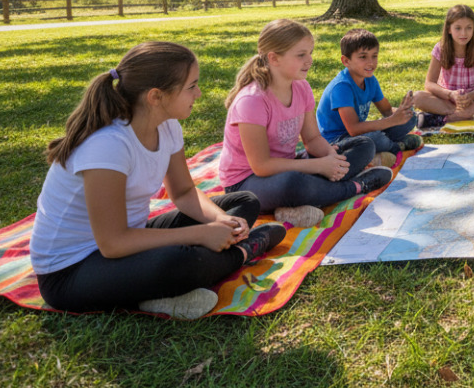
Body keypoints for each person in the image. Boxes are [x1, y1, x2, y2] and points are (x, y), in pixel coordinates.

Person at [30, 42, 287, 319]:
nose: (198, 93)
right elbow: (112, 243)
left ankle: (194, 269)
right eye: (191, 86)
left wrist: (221, 221)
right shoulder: (108, 145)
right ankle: (242, 252)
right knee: (178, 261)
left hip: (130, 239)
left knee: (244, 202)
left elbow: (184, 192)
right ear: (156, 96)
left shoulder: (167, 126)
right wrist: (201, 234)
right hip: (72, 272)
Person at [219, 19, 393, 230]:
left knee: (363, 145)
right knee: (294, 183)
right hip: (248, 182)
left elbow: (312, 139)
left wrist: (331, 157)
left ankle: (305, 200)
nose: (309, 60)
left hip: (289, 165)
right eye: (301, 55)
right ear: (274, 58)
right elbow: (262, 166)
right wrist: (319, 166)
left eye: (310, 53)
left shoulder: (302, 87)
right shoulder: (252, 101)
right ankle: (356, 186)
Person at [316, 28, 422, 167]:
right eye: (363, 57)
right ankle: (395, 147)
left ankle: (386, 147)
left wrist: (403, 111)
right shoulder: (342, 87)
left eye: (374, 56)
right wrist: (392, 120)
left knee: (411, 117)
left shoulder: (370, 80)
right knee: (375, 138)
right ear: (346, 61)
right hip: (336, 141)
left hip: (359, 134)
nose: (370, 62)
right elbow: (353, 129)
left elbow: (387, 110)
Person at [414, 5, 474, 123]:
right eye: (458, 28)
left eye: (469, 28)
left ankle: (446, 117)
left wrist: (470, 97)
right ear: (449, 29)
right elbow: (429, 84)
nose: (464, 33)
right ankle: (472, 115)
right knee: (416, 97)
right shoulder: (440, 49)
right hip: (447, 99)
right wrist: (450, 94)